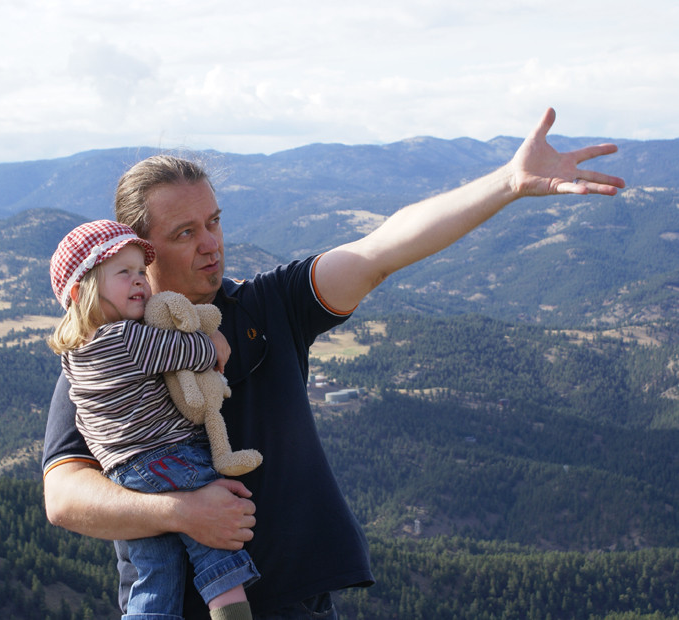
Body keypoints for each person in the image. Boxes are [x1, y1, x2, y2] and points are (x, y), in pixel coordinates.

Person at [42, 108, 626, 617]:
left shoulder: (271, 306)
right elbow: (64, 498)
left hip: (300, 606)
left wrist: (507, 183)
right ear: (139, 253)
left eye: (215, 221)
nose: (211, 244)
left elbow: (382, 249)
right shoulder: (103, 354)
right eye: (185, 232)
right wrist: (184, 512)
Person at [47, 219, 260, 620]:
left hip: (122, 475)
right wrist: (211, 340)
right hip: (166, 456)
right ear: (80, 292)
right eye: (123, 273)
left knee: (154, 572)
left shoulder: (74, 357)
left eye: (140, 272)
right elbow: (190, 355)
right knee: (216, 543)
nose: (140, 282)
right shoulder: (127, 338)